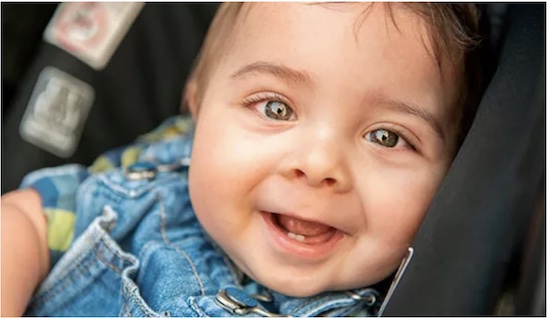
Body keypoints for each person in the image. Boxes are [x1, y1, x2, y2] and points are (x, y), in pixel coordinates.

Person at [1, 3, 481, 316]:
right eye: (277, 108)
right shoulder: (146, 194)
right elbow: (26, 218)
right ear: (197, 109)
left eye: (386, 137)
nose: (318, 165)